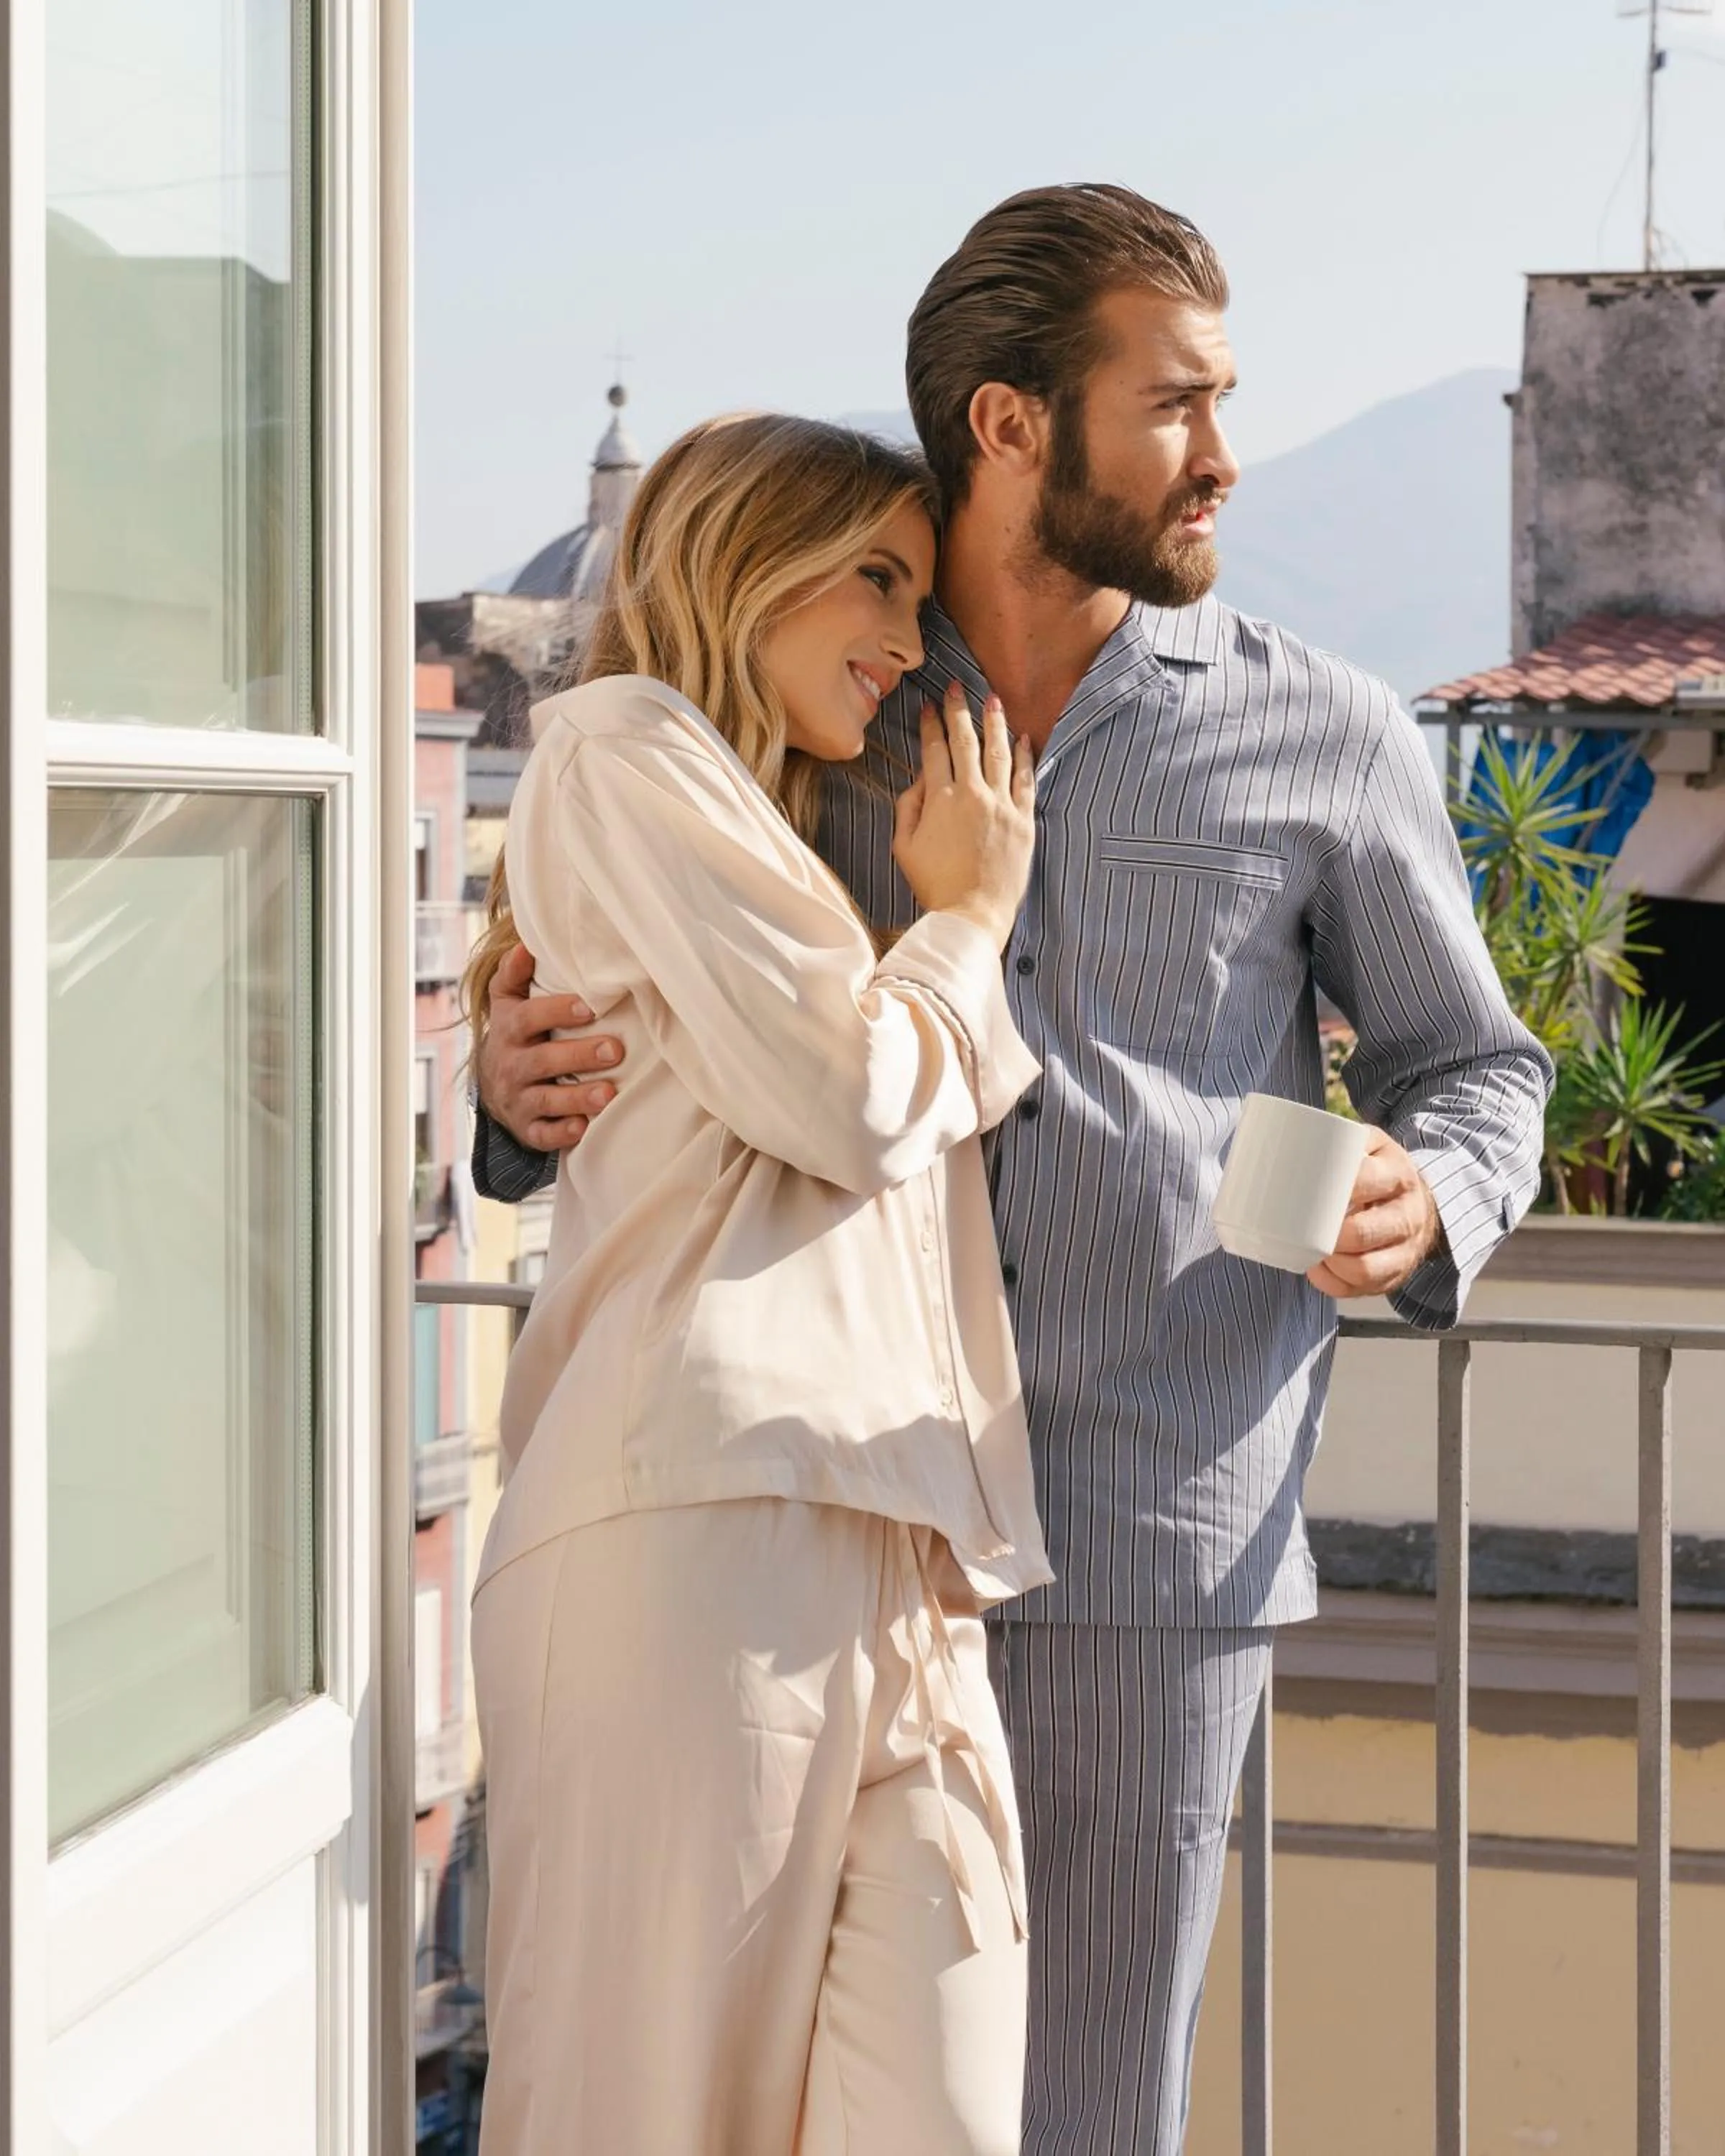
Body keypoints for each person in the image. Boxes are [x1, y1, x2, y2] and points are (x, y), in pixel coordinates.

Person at [474, 187, 1554, 2153]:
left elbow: (1476, 1069)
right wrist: (508, 1085)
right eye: (1175, 404)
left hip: (1155, 1541)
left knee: (1063, 2119)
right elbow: (648, 994)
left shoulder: (1325, 727)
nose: (1223, 456)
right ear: (1009, 423)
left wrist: (1435, 1200)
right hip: (813, 1526)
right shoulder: (812, 688)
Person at [465, 411, 1054, 2156]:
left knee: (941, 2115)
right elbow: (852, 1096)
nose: (901, 629)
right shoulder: (614, 744)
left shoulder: (749, 821)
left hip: (904, 1549)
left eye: (917, 587)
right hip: (693, 1525)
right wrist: (962, 919)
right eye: (871, 573)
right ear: (741, 560)